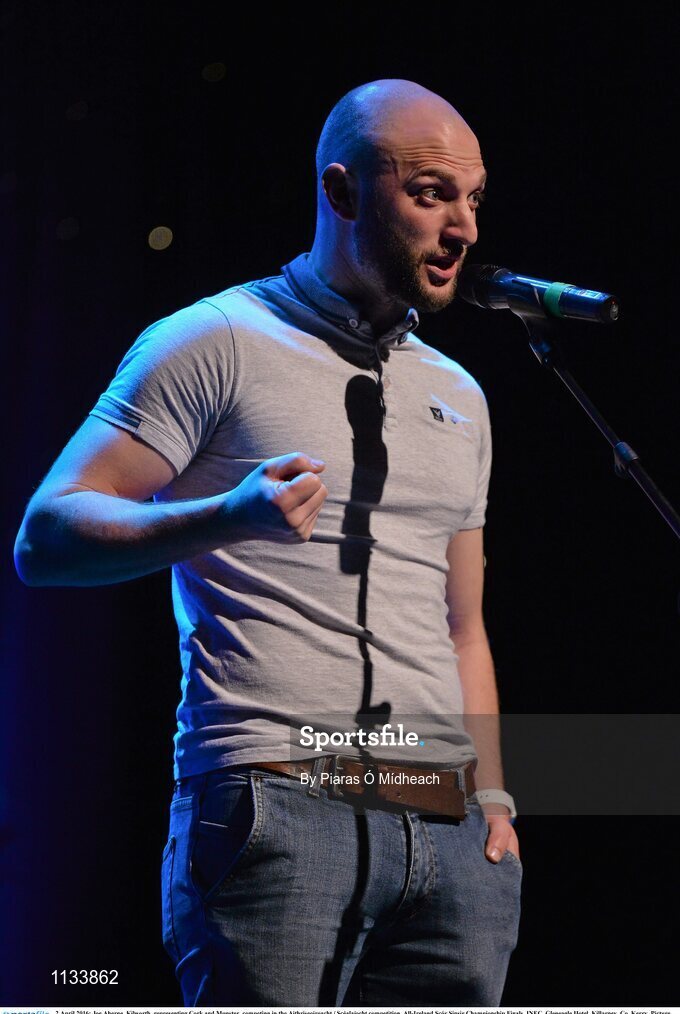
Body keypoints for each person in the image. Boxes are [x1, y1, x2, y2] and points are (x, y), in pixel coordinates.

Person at [14, 79, 521, 1005]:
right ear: (342, 193)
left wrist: (492, 802)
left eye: (473, 199)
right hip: (279, 800)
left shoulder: (461, 394)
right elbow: (46, 537)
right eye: (430, 194)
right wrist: (224, 517)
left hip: (446, 825)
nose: (465, 229)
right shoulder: (216, 341)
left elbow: (463, 627)